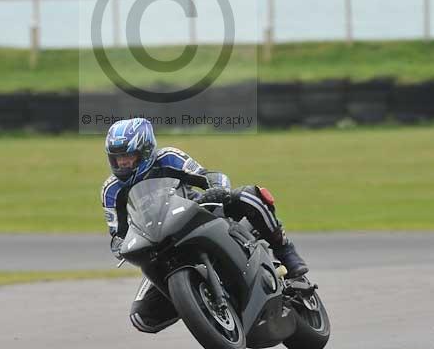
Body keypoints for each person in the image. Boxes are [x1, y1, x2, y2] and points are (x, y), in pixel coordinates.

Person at [101, 117, 308, 334]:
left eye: (128, 156)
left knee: (249, 196)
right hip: (156, 243)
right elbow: (117, 232)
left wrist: (217, 188)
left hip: (193, 214)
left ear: (146, 150)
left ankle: (285, 251)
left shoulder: (168, 157)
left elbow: (207, 176)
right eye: (117, 158)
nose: (122, 163)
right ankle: (197, 301)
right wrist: (119, 246)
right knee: (142, 317)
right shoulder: (111, 190)